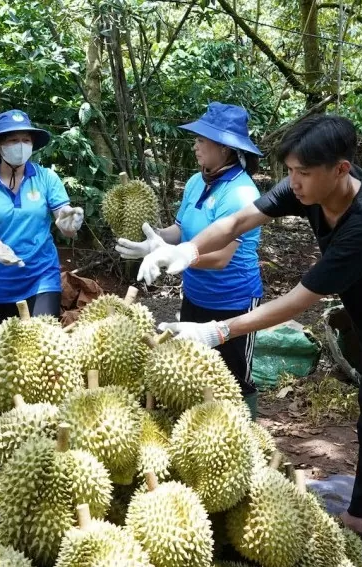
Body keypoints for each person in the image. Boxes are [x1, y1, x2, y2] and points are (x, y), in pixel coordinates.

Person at [134, 115, 362, 566]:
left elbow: (297, 300)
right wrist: (186, 250)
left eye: (303, 173)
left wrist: (218, 330)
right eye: (290, 171)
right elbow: (239, 220)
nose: (294, 182)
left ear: (341, 170)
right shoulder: (305, 186)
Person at [115, 102, 264, 419]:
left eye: (202, 140)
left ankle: (248, 441)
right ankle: (201, 428)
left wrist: (173, 258)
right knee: (195, 369)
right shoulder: (198, 182)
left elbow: (222, 257)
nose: (195, 145)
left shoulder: (241, 193)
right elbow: (181, 229)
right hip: (196, 295)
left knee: (235, 378)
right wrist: (154, 242)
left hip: (234, 300)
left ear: (224, 148)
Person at [0, 110, 84, 324]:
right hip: (2, 278)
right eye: (13, 140)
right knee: (11, 346)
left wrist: (69, 224)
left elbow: (64, 219)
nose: (20, 145)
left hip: (42, 274)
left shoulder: (47, 178)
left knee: (43, 336)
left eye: (26, 140)